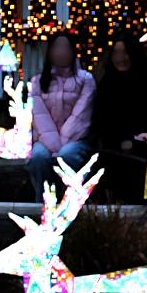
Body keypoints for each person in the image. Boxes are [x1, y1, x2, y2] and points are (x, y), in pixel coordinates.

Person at [91, 33, 147, 199]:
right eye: (116, 53)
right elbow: (101, 121)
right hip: (116, 147)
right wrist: (123, 139)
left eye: (125, 53)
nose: (121, 58)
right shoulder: (107, 85)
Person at [26, 31, 96, 202]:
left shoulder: (86, 80)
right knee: (38, 157)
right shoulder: (37, 81)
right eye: (57, 47)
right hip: (44, 141)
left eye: (65, 47)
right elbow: (38, 115)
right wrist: (53, 144)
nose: (61, 52)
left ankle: (70, 202)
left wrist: (60, 145)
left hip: (76, 140)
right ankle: (42, 204)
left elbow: (81, 115)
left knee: (67, 155)